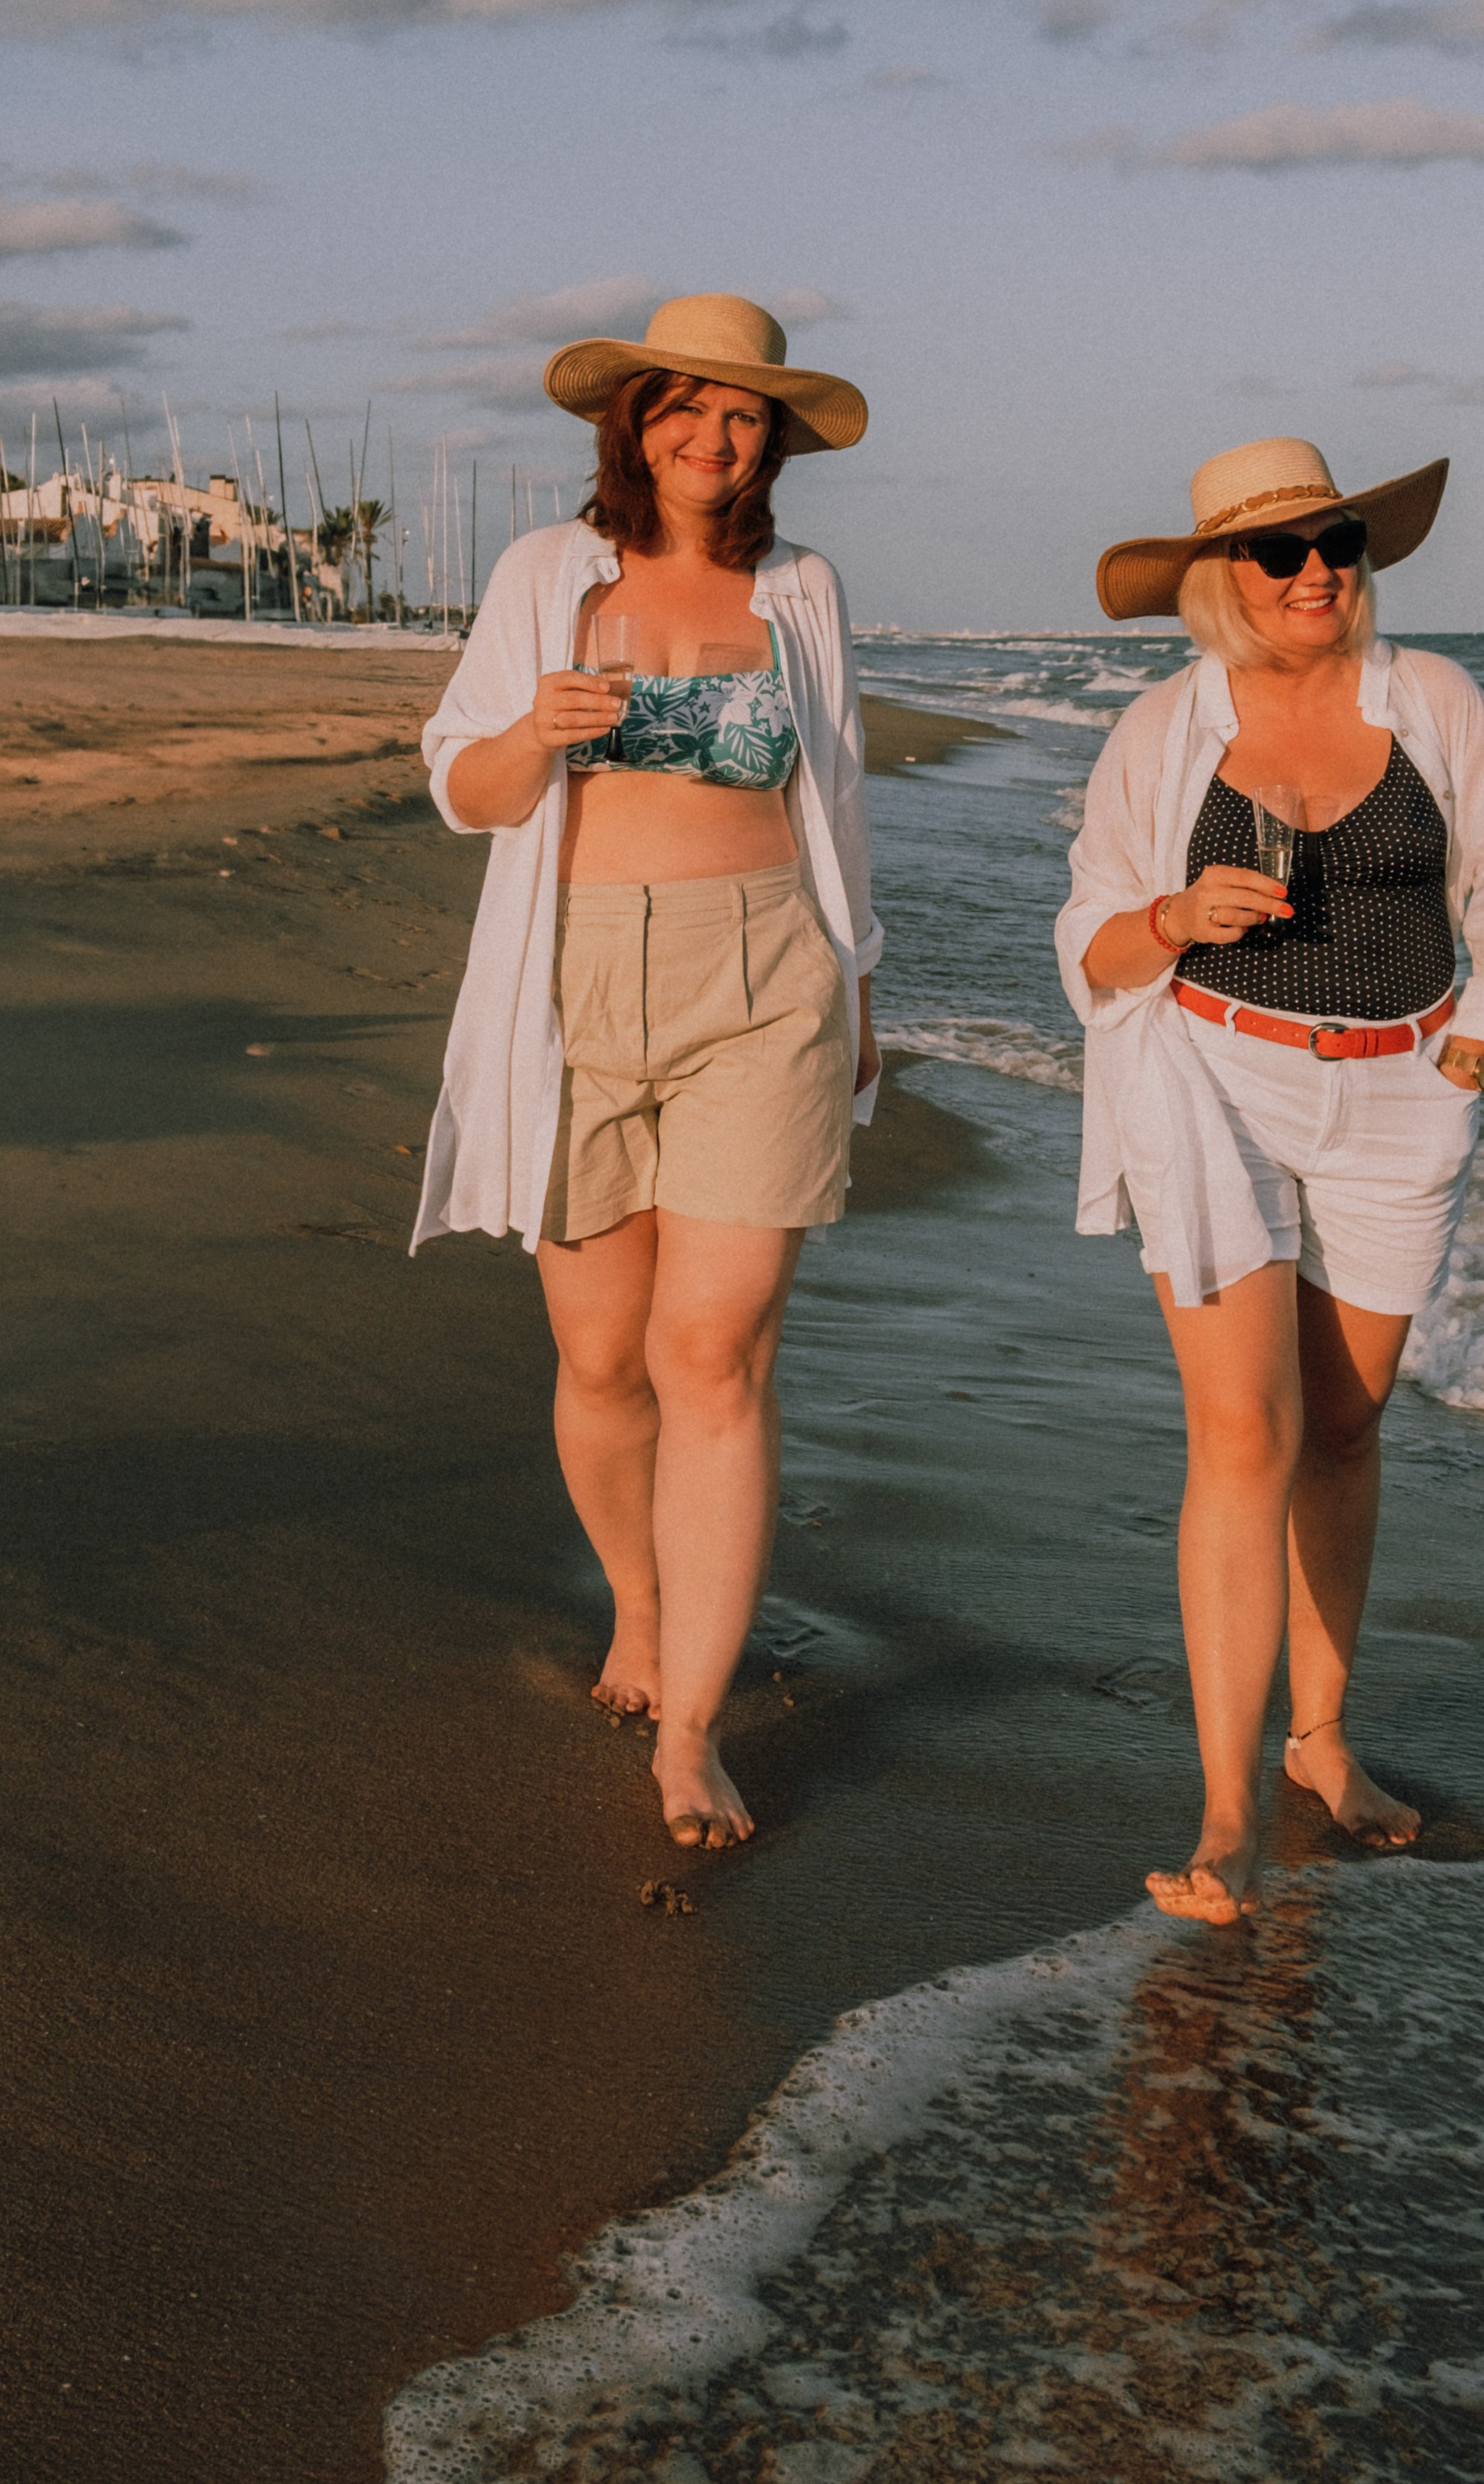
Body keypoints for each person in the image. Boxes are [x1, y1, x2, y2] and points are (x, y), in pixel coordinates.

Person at [1055, 437, 1484, 1924]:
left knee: (1343, 1426)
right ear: (1222, 580)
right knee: (1243, 1429)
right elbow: (1093, 944)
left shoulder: (1438, 705)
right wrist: (1172, 911)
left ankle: (1321, 1745)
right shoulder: (1163, 733)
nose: (1315, 572)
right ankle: (1223, 1814)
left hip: (1404, 1093)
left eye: (1335, 541)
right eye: (1278, 553)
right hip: (1217, 1079)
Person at [412, 294, 882, 1850]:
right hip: (575, 980)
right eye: (682, 407)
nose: (709, 436)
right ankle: (637, 1605)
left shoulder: (799, 587)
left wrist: (858, 980)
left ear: (771, 442)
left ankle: (691, 1724)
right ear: (632, 424)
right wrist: (535, 736)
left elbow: (839, 798)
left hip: (770, 977)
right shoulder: (549, 575)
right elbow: (464, 789)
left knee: (713, 1355)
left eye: (741, 415)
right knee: (604, 1358)